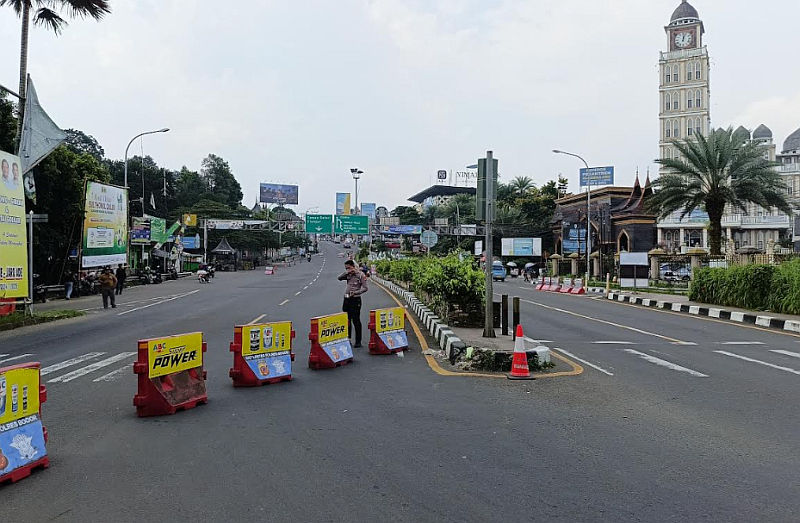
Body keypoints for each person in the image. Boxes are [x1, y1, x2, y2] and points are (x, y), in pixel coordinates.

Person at [338, 259, 368, 348]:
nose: (348, 269)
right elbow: (339, 278)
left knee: (356, 320)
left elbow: (365, 288)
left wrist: (356, 292)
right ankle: (348, 339)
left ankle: (358, 341)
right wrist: (347, 273)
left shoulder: (360, 275)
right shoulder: (348, 275)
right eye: (346, 268)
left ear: (353, 267)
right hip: (347, 299)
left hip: (355, 299)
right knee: (347, 320)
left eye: (349, 268)